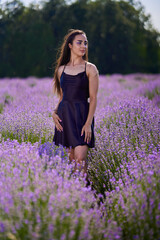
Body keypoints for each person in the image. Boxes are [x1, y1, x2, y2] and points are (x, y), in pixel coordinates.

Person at [52, 29, 99, 186]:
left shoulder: (90, 69)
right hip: (65, 117)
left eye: (85, 43)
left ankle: (88, 198)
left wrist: (88, 124)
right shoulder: (61, 70)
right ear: (70, 45)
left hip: (82, 117)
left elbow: (93, 98)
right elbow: (62, 96)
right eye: (79, 42)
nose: (83, 46)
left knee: (80, 159)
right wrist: (53, 113)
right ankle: (79, 198)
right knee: (72, 162)